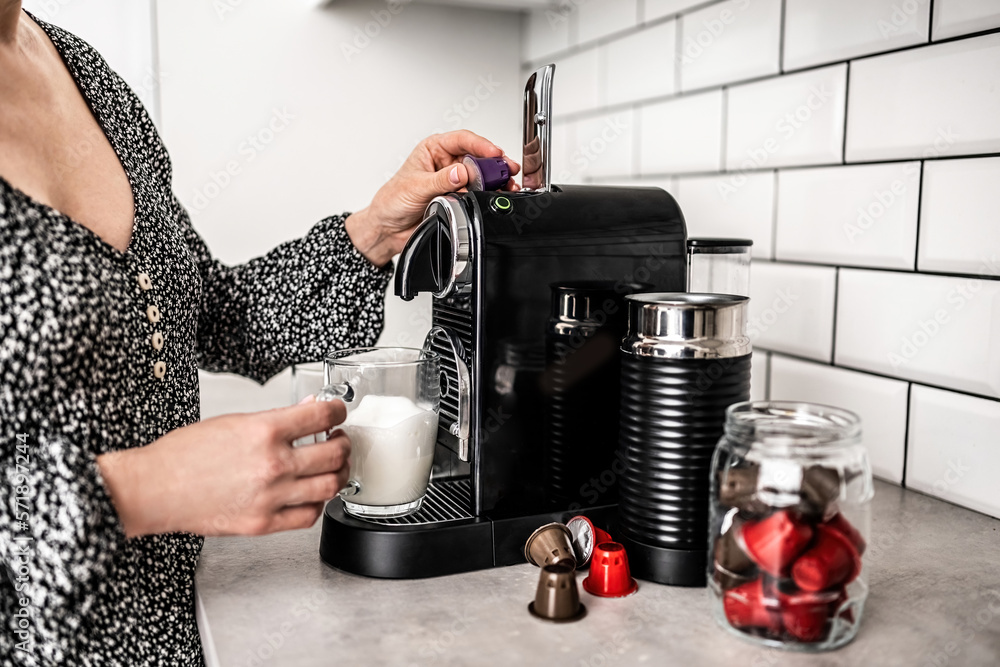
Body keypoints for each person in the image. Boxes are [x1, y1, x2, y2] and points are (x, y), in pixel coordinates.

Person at [0, 5, 519, 665]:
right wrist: (142, 489)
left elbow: (205, 311)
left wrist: (373, 234)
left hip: (179, 630)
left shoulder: (81, 71)